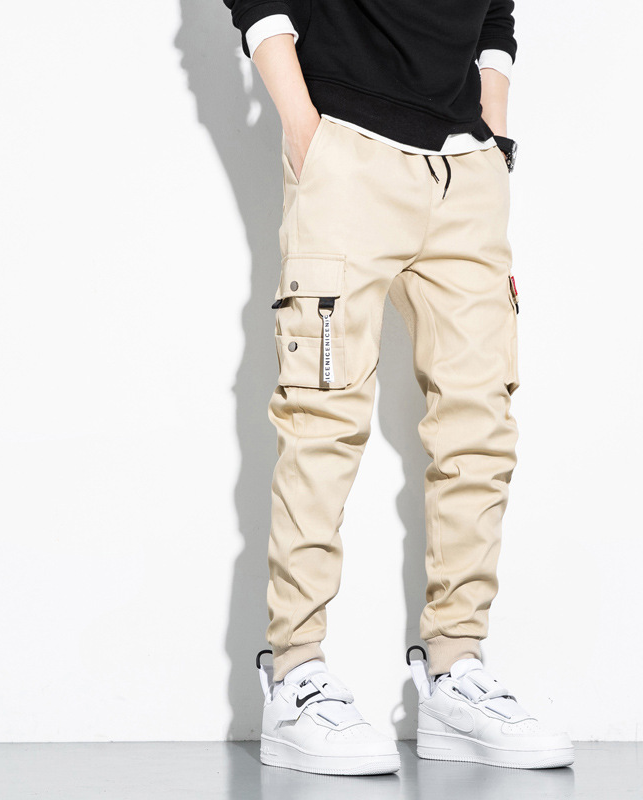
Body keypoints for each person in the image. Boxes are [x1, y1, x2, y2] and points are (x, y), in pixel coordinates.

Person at [222, 0, 574, 776]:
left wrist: (494, 134)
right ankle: (295, 673)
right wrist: (303, 127)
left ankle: (455, 670)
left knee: (481, 424)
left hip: (467, 169)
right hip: (347, 150)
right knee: (323, 418)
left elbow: (495, 12)